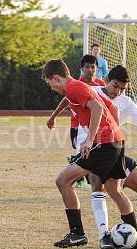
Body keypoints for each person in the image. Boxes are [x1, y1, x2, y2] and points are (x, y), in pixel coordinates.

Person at [49, 65, 137, 247]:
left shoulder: (126, 102)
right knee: (103, 187)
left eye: (122, 89)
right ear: (106, 80)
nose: (118, 91)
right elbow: (70, 99)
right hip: (102, 145)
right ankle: (113, 237)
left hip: (104, 145)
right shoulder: (91, 89)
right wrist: (53, 116)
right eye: (115, 86)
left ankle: (133, 237)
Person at [42, 59, 137, 249]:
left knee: (63, 181)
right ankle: (136, 238)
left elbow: (96, 108)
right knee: (114, 190)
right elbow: (107, 107)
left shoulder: (75, 87)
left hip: (103, 144)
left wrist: (89, 139)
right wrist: (53, 116)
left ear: (56, 77)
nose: (51, 88)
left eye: (50, 83)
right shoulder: (74, 88)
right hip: (115, 141)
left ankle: (77, 234)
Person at [47, 55, 106, 189]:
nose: (90, 70)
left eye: (93, 67)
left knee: (92, 173)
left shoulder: (98, 84)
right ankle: (78, 172)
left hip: (101, 132)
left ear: (97, 69)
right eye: (87, 67)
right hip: (79, 126)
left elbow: (100, 107)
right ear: (81, 69)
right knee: (92, 173)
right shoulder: (76, 85)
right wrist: (53, 116)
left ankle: (76, 166)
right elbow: (67, 101)